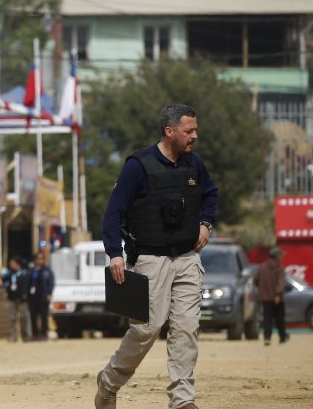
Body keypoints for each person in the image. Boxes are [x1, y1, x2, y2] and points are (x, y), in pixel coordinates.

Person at [95, 103, 218, 409]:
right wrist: (115, 254)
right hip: (150, 259)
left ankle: (182, 400)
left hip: (188, 258)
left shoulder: (195, 164)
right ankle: (109, 382)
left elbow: (210, 193)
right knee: (146, 329)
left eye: (196, 130)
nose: (195, 136)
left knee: (186, 329)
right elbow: (114, 212)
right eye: (189, 131)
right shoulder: (138, 165)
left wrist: (205, 222)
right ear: (170, 131)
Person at [255, 247, 288, 346]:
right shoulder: (280, 268)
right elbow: (281, 283)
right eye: (280, 255)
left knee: (267, 319)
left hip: (265, 298)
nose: (282, 257)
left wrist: (262, 289)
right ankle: (282, 337)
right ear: (277, 257)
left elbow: (256, 280)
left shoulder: (262, 267)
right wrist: (278, 294)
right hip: (277, 299)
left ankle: (267, 338)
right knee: (279, 318)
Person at [0, 256, 31, 343]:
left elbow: (28, 285)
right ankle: (13, 336)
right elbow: (3, 279)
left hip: (22, 299)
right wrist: (0, 281)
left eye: (12, 264)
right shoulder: (10, 274)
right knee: (12, 318)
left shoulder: (24, 274)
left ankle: (25, 336)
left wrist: (25, 293)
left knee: (24, 318)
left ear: (17, 264)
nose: (11, 265)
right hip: (12, 298)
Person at [28, 252, 55, 341]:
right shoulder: (31, 270)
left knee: (43, 316)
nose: (39, 260)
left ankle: (44, 333)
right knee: (33, 316)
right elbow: (27, 283)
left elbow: (51, 283)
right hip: (32, 297)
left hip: (43, 296)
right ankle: (34, 334)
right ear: (35, 260)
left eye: (41, 259)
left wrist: (49, 293)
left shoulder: (47, 270)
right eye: (38, 259)